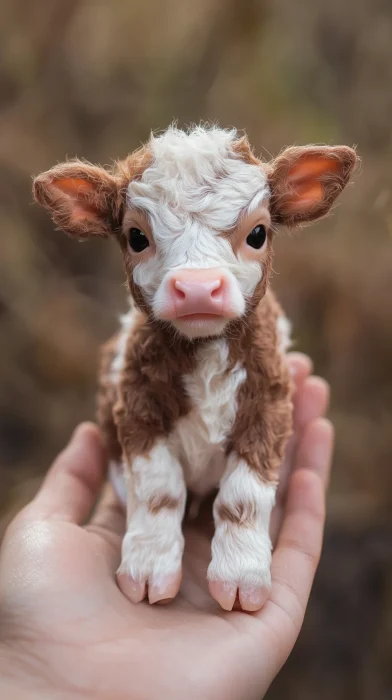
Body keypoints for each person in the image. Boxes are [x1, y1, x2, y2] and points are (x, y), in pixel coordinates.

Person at [0, 353, 333, 700]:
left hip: (227, 468)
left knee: (263, 400)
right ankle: (154, 545)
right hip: (150, 470)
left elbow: (264, 415)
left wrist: (32, 677)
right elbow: (134, 415)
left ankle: (238, 538)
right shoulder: (136, 355)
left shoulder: (258, 353)